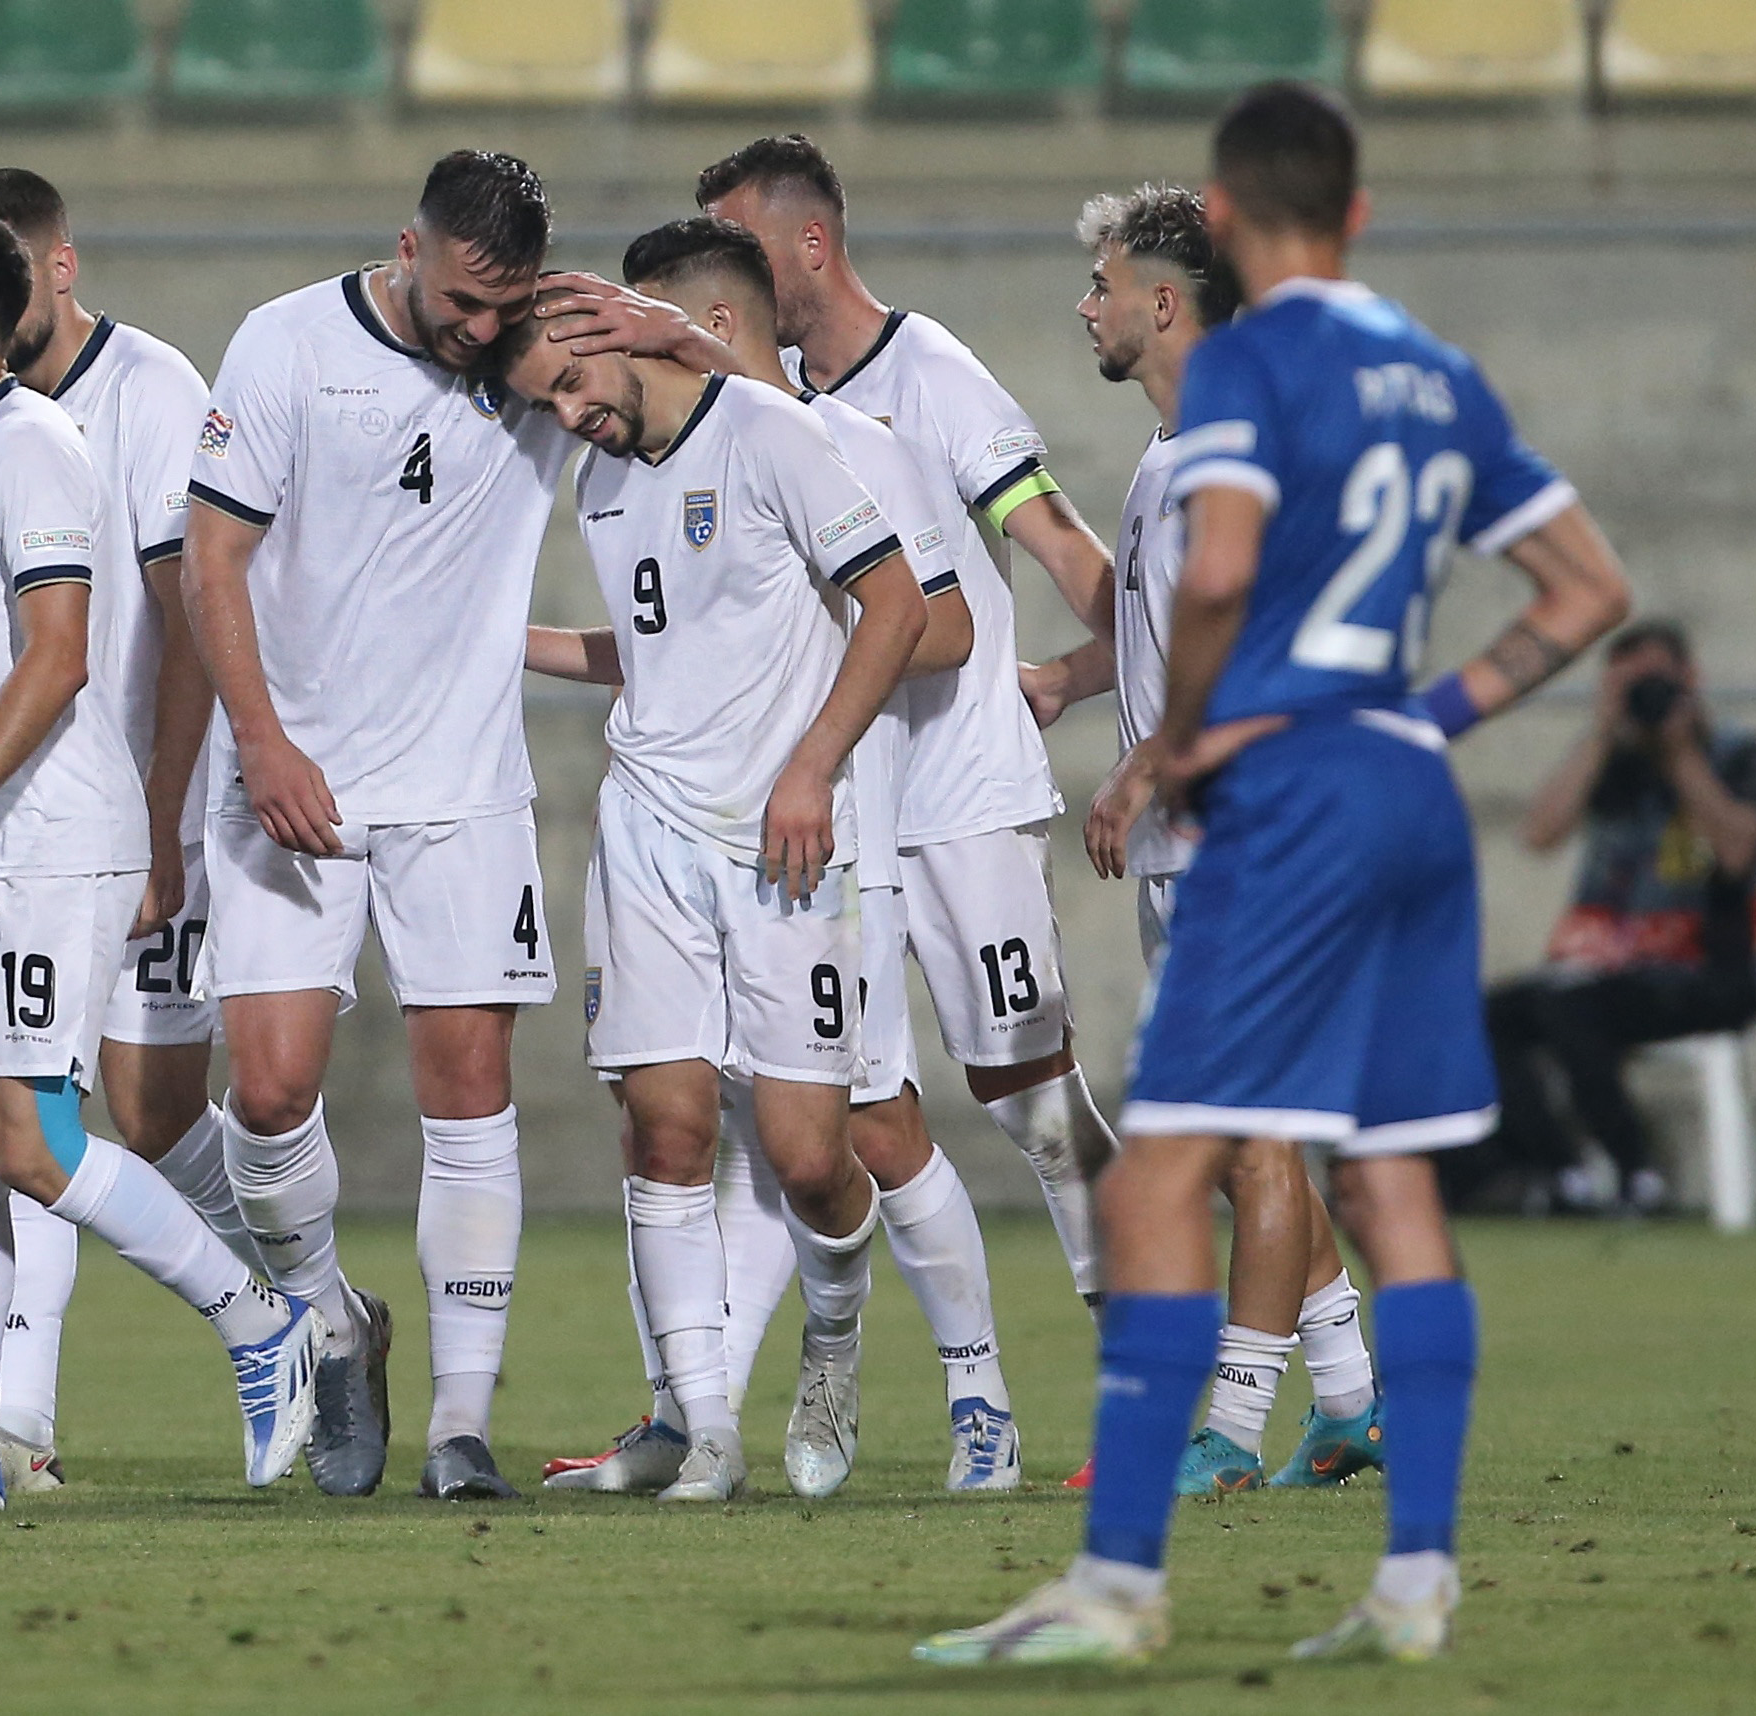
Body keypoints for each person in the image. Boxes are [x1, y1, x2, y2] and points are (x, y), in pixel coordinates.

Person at [914, 83, 1629, 1667]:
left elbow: (1220, 571)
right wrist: (1429, 713)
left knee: (1167, 1169)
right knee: (1384, 1180)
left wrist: (1171, 746)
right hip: (1404, 791)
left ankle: (1116, 1584)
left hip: (1281, 796)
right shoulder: (1439, 375)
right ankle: (1414, 1585)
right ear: (1358, 214)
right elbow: (1587, 591)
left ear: (1223, 227)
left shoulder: (1242, 373)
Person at [0, 211, 324, 1511]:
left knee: (31, 1137)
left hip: (52, 845)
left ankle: (262, 1321)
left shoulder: (36, 450)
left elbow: (57, 659)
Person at [535, 218, 1024, 1498]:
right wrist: (497, 643)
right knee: (663, 1121)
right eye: (547, 398)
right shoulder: (602, 471)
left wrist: (808, 759)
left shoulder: (804, 439)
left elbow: (926, 616)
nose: (567, 414)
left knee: (839, 1146)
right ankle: (696, 1425)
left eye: (575, 382)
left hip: (809, 837)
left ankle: (910, 1367)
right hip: (648, 824)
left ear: (654, 328)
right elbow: (659, 644)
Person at [691, 137, 1126, 1374]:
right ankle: (700, 1401)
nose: (724, 271)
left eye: (743, 242)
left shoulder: (928, 377)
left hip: (959, 796)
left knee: (1035, 1103)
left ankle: (1153, 1364)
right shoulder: (761, 410)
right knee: (803, 1110)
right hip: (847, 819)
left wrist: (1099, 676)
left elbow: (1061, 549)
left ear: (809, 244)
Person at [180, 152, 568, 1502]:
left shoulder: (543, 348)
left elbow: (707, 386)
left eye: (502, 304)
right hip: (294, 783)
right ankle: (330, 1323)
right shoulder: (285, 344)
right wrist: (264, 739)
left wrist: (614, 324)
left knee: (471, 1096)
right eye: (462, 299)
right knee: (273, 1089)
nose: (479, 328)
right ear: (407, 248)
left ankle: (462, 1425)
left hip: (462, 787)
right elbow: (210, 558)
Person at [0, 167, 259, 1494]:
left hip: (128, 815)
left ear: (60, 269)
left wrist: (171, 819)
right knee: (38, 1100)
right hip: (24, 831)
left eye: (17, 269)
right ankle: (23, 1422)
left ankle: (301, 1308)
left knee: (150, 1112)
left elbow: (183, 623)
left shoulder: (153, 393)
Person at [1074, 183, 1385, 1495]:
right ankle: (1355, 1402)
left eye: (1100, 284)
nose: (1082, 306)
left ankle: (1233, 1432)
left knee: (1244, 1142)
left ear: (1160, 300)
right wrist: (1067, 682)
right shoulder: (1176, 452)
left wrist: (1145, 763)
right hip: (1198, 847)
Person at [1453, 620, 1756, 1215]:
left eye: (1657, 681)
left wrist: (1680, 753)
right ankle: (1560, 1171)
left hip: (1708, 971)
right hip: (1611, 969)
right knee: (1486, 1016)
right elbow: (1538, 833)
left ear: (1691, 680)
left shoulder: (1744, 757)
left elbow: (1738, 851)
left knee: (1571, 1007)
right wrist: (1602, 733)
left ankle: (1638, 1172)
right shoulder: (1611, 760)